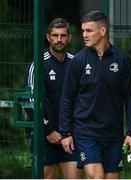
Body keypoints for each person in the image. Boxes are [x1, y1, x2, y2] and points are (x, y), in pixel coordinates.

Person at [59, 10, 131, 179]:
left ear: (102, 31)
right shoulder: (79, 61)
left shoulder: (122, 60)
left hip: (113, 135)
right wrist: (65, 133)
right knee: (97, 176)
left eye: (89, 31)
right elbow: (66, 98)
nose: (84, 35)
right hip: (85, 134)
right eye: (83, 31)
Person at [25, 18, 82, 179]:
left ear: (69, 38)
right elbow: (31, 101)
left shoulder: (77, 63)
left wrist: (70, 131)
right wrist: (48, 131)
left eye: (63, 35)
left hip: (70, 136)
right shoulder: (38, 65)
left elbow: (84, 99)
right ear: (48, 37)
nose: (59, 39)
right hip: (44, 136)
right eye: (55, 35)